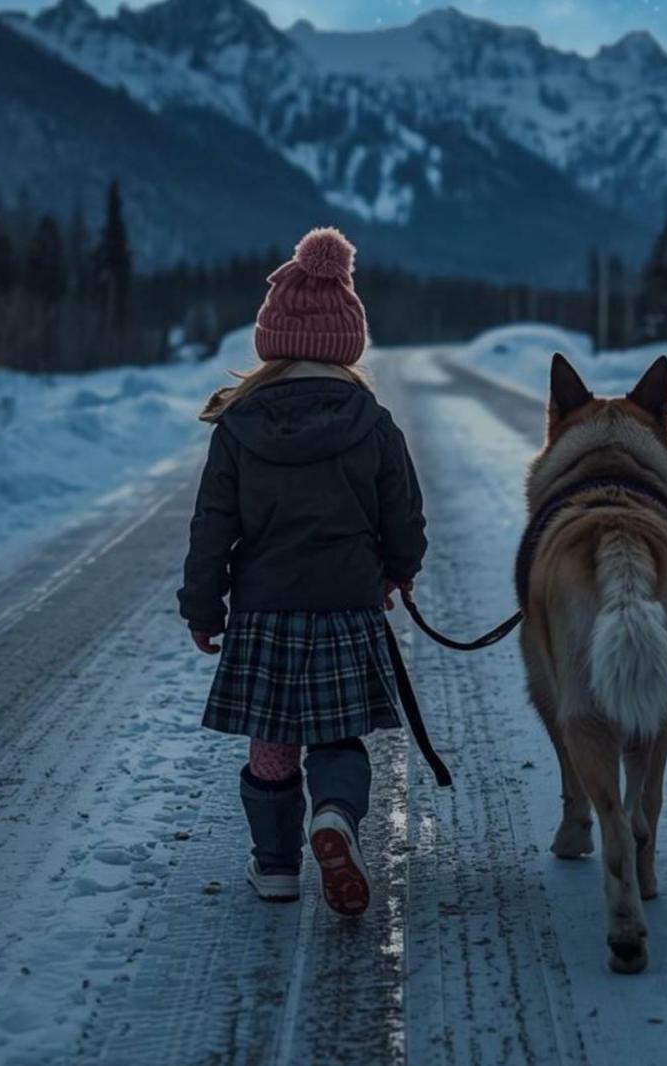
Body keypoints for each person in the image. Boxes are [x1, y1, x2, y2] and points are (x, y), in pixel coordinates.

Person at [178, 227, 427, 916]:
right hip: (346, 606)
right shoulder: (372, 421)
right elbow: (405, 515)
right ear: (347, 339)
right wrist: (398, 571)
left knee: (273, 743)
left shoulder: (238, 425)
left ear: (271, 338)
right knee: (337, 732)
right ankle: (336, 816)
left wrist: (203, 607)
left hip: (265, 611)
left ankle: (277, 865)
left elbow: (212, 527)